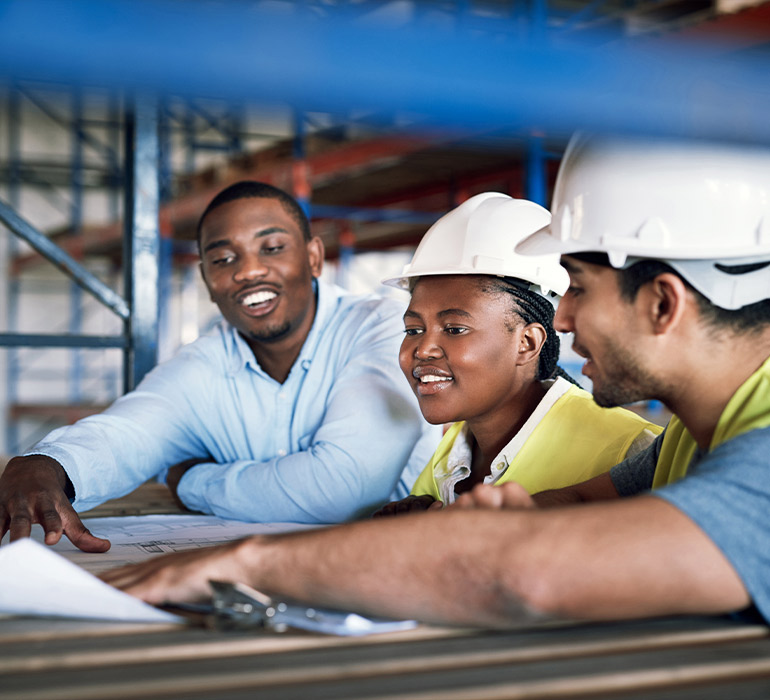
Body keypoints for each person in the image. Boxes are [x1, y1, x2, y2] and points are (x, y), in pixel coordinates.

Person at [103, 134, 770, 628]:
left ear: (662, 303)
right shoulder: (684, 441)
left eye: (580, 289)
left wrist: (249, 565)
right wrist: (459, 520)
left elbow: (529, 574)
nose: (562, 319)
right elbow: (565, 507)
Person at [0, 181, 439, 552]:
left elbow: (342, 489)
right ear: (208, 281)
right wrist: (47, 464)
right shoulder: (203, 364)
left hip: (402, 562)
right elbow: (127, 433)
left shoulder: (386, 326)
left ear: (313, 257)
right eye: (224, 259)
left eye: (272, 248)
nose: (248, 271)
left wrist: (193, 481)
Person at [373, 192, 660, 516]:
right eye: (413, 330)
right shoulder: (455, 449)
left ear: (527, 343)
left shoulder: (629, 449)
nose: (423, 349)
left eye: (454, 329)